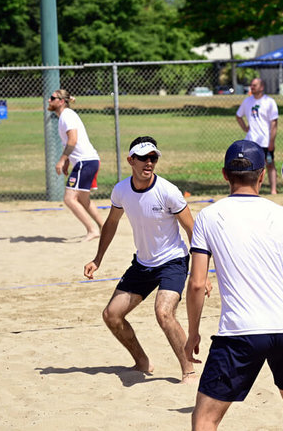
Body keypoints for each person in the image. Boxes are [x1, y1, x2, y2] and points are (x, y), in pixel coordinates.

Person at [185, 140, 283, 430]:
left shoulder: (207, 217)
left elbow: (196, 285)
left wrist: (193, 332)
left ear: (224, 174)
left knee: (205, 417)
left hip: (239, 332)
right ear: (263, 175)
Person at [84, 136, 202, 383]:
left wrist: (202, 274)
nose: (149, 163)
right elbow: (112, 223)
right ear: (131, 160)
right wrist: (98, 259)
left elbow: (193, 230)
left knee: (163, 313)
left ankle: (188, 371)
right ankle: (142, 362)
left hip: (173, 261)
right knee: (111, 315)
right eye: (144, 158)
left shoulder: (168, 191)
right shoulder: (121, 190)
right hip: (143, 264)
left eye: (153, 158)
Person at [48, 89, 102, 241]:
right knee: (83, 199)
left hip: (85, 162)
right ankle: (103, 226)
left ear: (61, 101)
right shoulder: (65, 116)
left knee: (69, 198)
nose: (49, 100)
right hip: (88, 161)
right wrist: (67, 161)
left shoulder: (67, 116)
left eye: (52, 98)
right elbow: (71, 142)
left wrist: (62, 160)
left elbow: (73, 140)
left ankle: (92, 230)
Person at [236, 78, 279, 195]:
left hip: (265, 141)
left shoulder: (269, 102)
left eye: (254, 85)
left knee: (269, 164)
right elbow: (238, 115)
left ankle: (273, 190)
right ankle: (251, 190)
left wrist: (272, 141)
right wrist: (245, 128)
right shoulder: (247, 101)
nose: (252, 87)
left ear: (262, 87)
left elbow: (274, 123)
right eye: (251, 85)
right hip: (250, 140)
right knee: (249, 167)